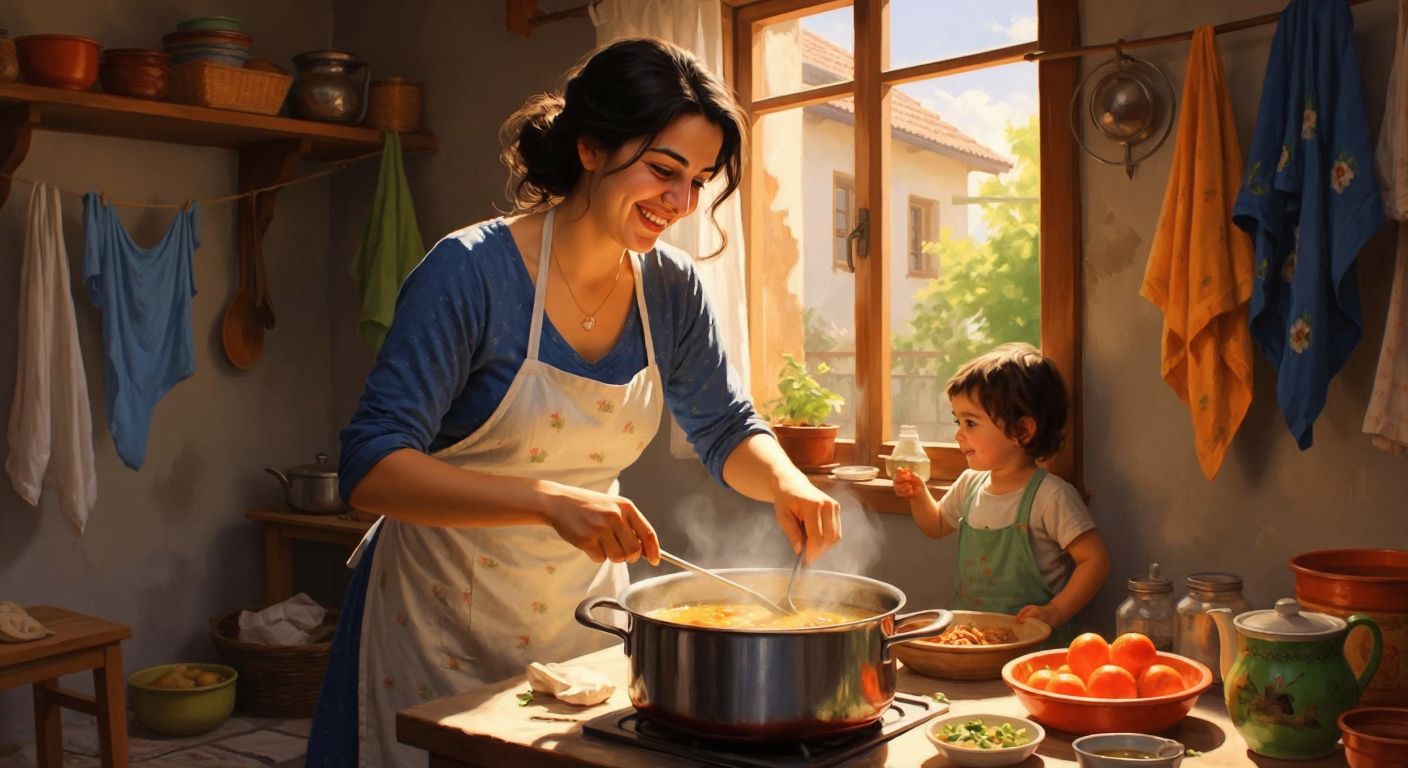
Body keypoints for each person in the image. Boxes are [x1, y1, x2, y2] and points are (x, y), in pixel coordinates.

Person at [306, 37, 842, 768]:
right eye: (664, 170)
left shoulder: (671, 290)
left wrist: (788, 482)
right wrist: (550, 501)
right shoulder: (468, 275)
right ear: (590, 149)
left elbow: (723, 426)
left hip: (580, 618)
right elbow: (370, 468)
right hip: (432, 621)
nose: (681, 203)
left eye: (700, 181)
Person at [892, 342, 1108, 642]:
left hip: (1036, 650)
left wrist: (1055, 611)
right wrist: (918, 496)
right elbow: (936, 524)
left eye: (970, 422)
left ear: (1022, 431)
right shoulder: (970, 483)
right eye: (958, 421)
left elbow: (1095, 560)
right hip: (973, 640)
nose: (958, 433)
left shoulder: (1050, 496)